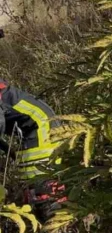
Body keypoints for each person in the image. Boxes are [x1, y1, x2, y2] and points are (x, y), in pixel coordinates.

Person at [0, 79, 65, 212]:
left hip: (41, 132)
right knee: (33, 192)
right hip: (35, 132)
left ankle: (54, 227)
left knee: (43, 194)